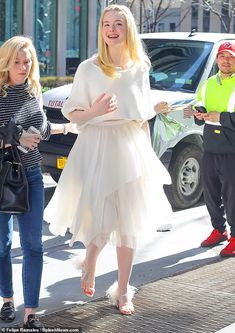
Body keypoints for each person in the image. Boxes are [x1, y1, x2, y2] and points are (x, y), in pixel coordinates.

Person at [45, 4, 172, 315]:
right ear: (100, 30)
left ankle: (123, 290)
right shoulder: (89, 68)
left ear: (127, 29)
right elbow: (73, 114)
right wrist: (95, 112)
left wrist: (147, 155)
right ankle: (89, 259)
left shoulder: (140, 67)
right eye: (106, 24)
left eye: (118, 24)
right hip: (96, 144)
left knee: (129, 222)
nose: (112, 29)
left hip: (130, 145)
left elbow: (142, 116)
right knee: (100, 214)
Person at [0, 36, 72, 328]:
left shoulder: (33, 90)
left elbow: (42, 127)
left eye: (27, 61)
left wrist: (70, 126)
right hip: (3, 176)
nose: (22, 66)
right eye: (17, 61)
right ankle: (7, 299)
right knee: (2, 245)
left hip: (31, 175)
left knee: (33, 246)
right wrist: (14, 139)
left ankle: (31, 312)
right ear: (6, 62)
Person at [184, 41, 235, 257]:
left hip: (232, 150)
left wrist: (220, 117)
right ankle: (219, 230)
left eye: (231, 57)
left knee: (232, 195)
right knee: (211, 194)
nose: (226, 60)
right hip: (210, 147)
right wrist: (198, 113)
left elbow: (222, 116)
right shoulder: (208, 84)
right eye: (222, 56)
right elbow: (200, 107)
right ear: (216, 60)